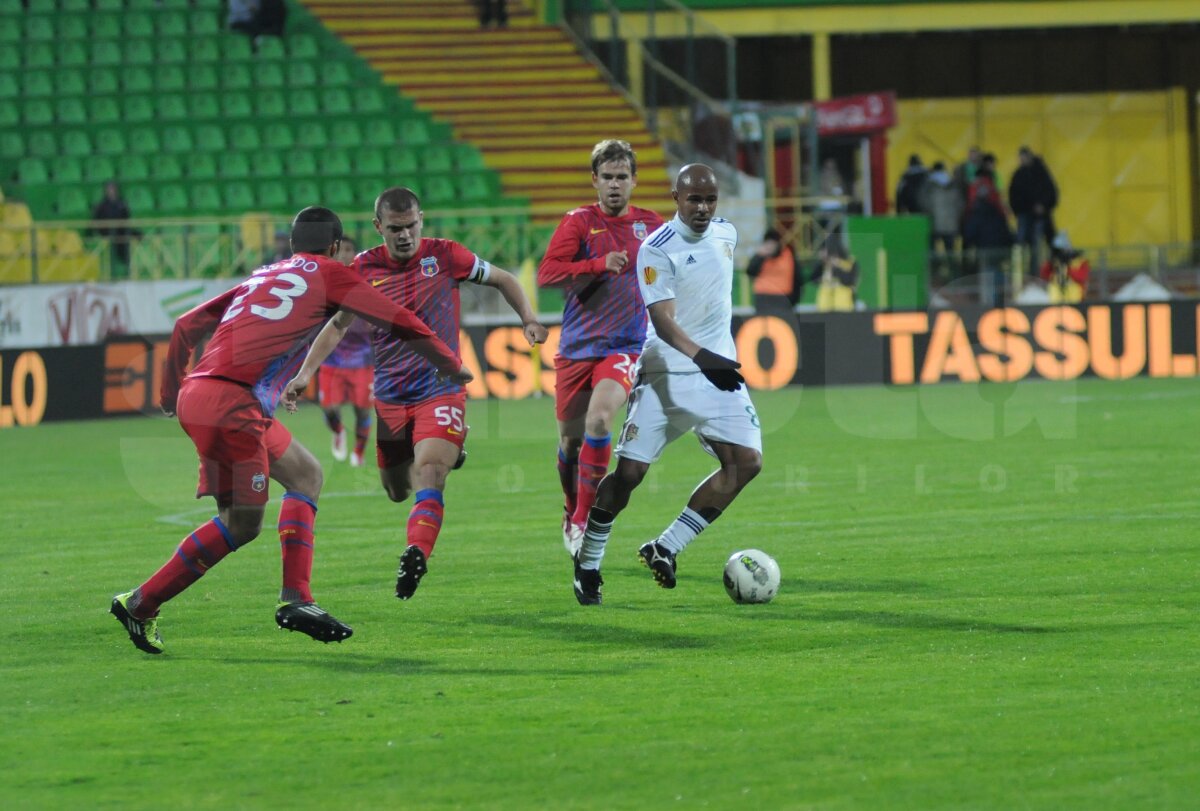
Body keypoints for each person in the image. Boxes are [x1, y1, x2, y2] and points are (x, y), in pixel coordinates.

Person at [109, 206, 470, 655]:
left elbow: (186, 325)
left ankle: (293, 596)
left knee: (306, 475)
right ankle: (144, 602)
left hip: (203, 395)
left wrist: (168, 395)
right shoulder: (332, 274)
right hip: (234, 404)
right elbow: (399, 319)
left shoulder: (262, 275)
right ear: (334, 247)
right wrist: (449, 363)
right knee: (242, 524)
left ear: (294, 244)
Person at [284, 188, 548, 601]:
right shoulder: (363, 267)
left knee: (430, 472)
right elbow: (337, 325)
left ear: (421, 220)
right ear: (379, 227)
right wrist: (305, 373)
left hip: (440, 388)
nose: (405, 235)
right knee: (396, 489)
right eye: (395, 229)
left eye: (410, 226)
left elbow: (503, 278)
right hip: (391, 396)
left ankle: (416, 552)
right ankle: (448, 452)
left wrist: (528, 318)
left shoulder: (447, 255)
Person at [572, 164, 763, 605]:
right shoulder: (656, 249)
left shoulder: (727, 233)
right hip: (666, 374)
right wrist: (703, 357)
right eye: (694, 199)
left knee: (746, 462)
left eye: (710, 200)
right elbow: (662, 320)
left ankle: (666, 547)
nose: (703, 208)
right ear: (676, 198)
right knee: (630, 475)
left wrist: (713, 360)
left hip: (716, 373)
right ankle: (589, 560)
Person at [537, 139, 664, 555]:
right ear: (594, 180)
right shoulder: (578, 222)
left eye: (621, 177)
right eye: (607, 177)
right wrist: (597, 264)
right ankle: (571, 505)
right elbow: (547, 275)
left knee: (600, 420)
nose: (614, 184)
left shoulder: (653, 225)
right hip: (577, 348)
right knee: (570, 445)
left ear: (634, 180)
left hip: (625, 345)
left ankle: (582, 519)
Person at [318, 236, 375, 467]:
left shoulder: (368, 283)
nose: (344, 254)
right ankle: (338, 430)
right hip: (331, 359)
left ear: (356, 254)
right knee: (329, 409)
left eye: (350, 249)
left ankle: (358, 452)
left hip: (362, 361)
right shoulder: (323, 283)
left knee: (362, 411)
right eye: (340, 249)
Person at [962, 169, 1014, 307]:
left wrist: (967, 243)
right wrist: (1008, 242)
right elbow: (1004, 227)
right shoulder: (996, 207)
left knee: (987, 274)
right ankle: (1001, 299)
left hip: (984, 247)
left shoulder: (975, 209)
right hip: (999, 246)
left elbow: (971, 230)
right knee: (998, 272)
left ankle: (989, 303)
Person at [1009, 146, 1059, 275]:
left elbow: (1051, 193)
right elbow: (1014, 195)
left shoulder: (1041, 173)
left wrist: (1043, 206)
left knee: (1035, 244)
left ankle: (1035, 272)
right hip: (1025, 215)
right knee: (1022, 244)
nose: (1022, 160)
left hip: (1039, 217)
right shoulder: (1019, 175)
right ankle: (1020, 272)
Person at [745, 227, 800, 316]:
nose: (770, 246)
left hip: (783, 297)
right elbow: (750, 272)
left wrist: (794, 301)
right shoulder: (760, 255)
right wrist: (759, 257)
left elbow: (797, 279)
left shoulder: (788, 255)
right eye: (768, 243)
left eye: (772, 243)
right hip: (762, 297)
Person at [90, 180, 134, 276]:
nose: (111, 191)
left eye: (113, 189)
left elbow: (126, 217)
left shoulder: (122, 204)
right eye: (109, 189)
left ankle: (129, 268)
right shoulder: (101, 205)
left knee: (131, 236)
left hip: (120, 231)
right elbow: (96, 220)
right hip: (106, 232)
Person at [1039, 231, 1090, 303]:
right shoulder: (1054, 262)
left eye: (1063, 250)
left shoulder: (1080, 261)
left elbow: (1081, 277)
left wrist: (1068, 266)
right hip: (1056, 298)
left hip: (1075, 298)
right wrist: (1051, 262)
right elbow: (1044, 274)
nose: (1061, 253)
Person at [812, 239, 859, 312]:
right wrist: (821, 264)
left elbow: (849, 280)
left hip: (844, 307)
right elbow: (813, 279)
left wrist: (836, 268)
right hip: (825, 308)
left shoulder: (849, 263)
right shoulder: (823, 265)